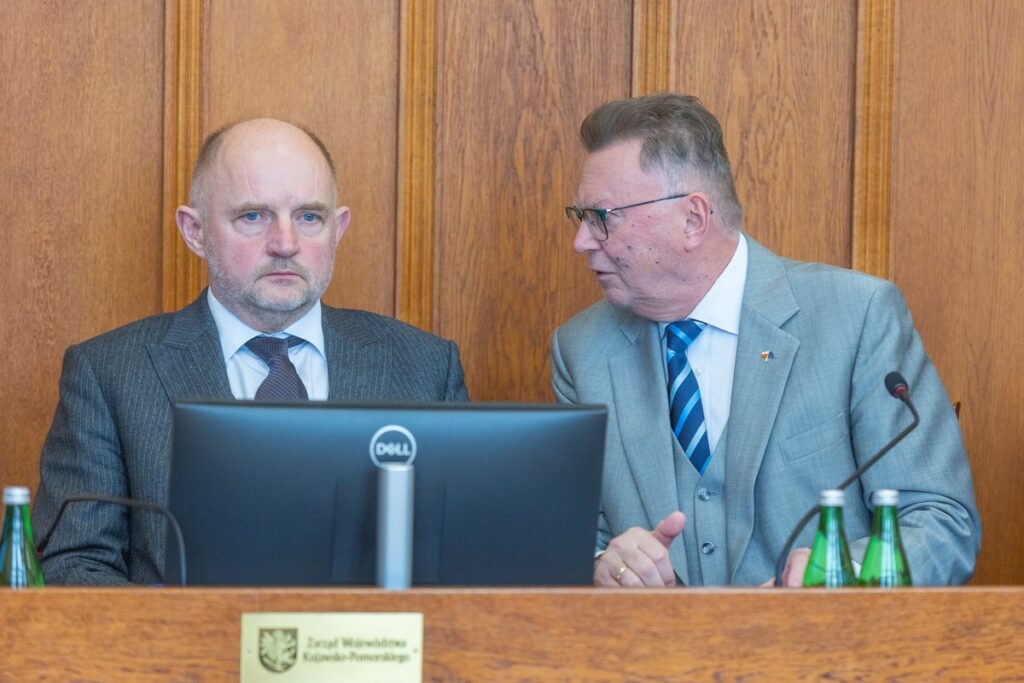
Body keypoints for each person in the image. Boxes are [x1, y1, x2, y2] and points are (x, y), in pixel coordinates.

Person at [552, 93, 980, 587]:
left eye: (602, 217)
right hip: (657, 659)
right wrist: (605, 567)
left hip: (823, 656)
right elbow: (578, 543)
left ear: (693, 219)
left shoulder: (857, 316)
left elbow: (942, 521)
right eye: (579, 217)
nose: (581, 241)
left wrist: (841, 574)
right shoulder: (581, 351)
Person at [33, 118, 468, 585]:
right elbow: (73, 564)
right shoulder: (109, 374)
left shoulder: (425, 368)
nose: (285, 244)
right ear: (194, 231)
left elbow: (465, 555)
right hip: (188, 653)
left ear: (337, 229)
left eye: (309, 217)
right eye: (253, 216)